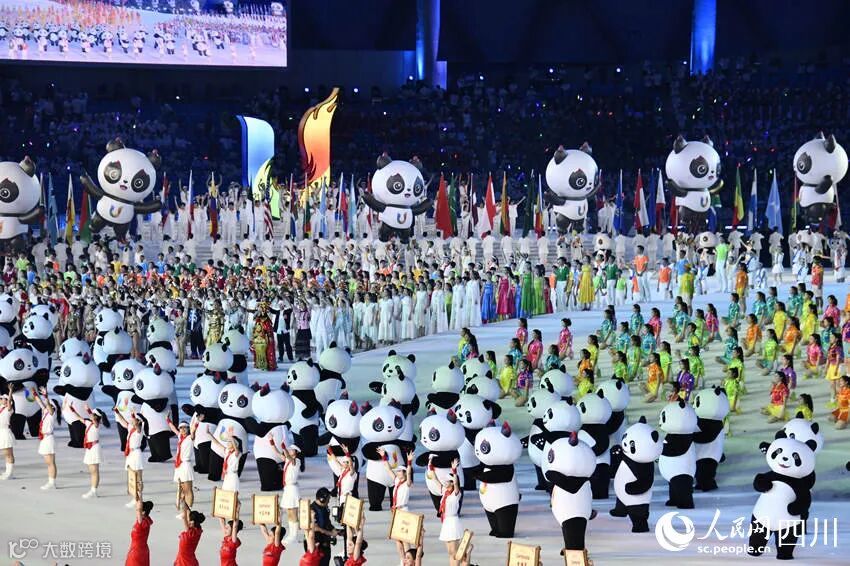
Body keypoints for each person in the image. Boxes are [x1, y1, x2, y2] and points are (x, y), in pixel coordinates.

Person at [114, 408, 145, 507]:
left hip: (136, 454)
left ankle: (139, 498)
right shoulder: (131, 428)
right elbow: (123, 421)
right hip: (130, 454)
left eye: (135, 419)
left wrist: (134, 416)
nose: (132, 420)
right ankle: (135, 497)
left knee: (138, 478)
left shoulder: (140, 430)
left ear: (138, 421)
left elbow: (138, 427)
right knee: (131, 476)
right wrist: (117, 413)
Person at [438, 461, 464, 566]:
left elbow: (457, 484)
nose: (445, 482)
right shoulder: (445, 493)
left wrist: (454, 471)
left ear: (452, 482)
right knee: (449, 552)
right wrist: (430, 465)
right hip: (446, 522)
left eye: (447, 481)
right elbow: (435, 480)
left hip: (453, 521)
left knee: (454, 552)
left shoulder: (456, 494)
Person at [33, 386, 57, 489]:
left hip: (48, 438)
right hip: (44, 438)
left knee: (50, 462)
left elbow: (48, 405)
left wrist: (46, 396)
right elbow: (39, 401)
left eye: (49, 405)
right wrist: (34, 392)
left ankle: (52, 483)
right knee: (48, 462)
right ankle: (51, 481)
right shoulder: (45, 412)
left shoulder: (52, 413)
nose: (46, 405)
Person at [170, 419, 196, 516]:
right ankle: (184, 511)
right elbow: (173, 428)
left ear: (188, 429)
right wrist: (168, 420)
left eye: (185, 427)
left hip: (185, 465)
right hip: (179, 466)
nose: (183, 429)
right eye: (181, 428)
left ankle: (189, 512)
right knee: (182, 490)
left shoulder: (190, 438)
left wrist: (197, 421)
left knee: (188, 490)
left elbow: (194, 431)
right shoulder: (180, 437)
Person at [125, 499, 154, 566]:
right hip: (143, 550)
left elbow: (139, 509)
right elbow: (139, 507)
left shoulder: (141, 523)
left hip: (136, 552)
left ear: (143, 512)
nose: (136, 511)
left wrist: (139, 506)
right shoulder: (146, 521)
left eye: (137, 510)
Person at [0, 394, 15, 480]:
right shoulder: (1, 408)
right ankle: (7, 471)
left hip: (5, 432)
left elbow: (9, 402)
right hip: (1, 432)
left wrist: (10, 392)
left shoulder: (9, 409)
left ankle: (10, 473)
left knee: (8, 454)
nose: (1, 399)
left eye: (3, 398)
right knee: (5, 454)